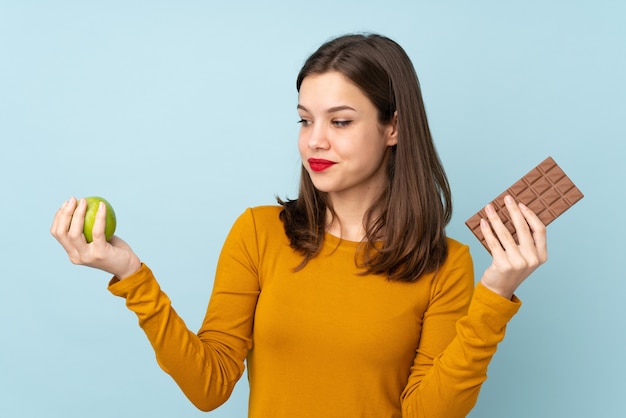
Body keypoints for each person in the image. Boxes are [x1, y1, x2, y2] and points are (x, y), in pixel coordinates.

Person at [50, 33, 547, 418]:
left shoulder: (445, 263)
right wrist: (131, 274)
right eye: (305, 120)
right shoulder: (259, 233)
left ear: (392, 127)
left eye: (341, 121)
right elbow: (209, 385)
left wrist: (496, 295)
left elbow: (427, 412)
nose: (315, 141)